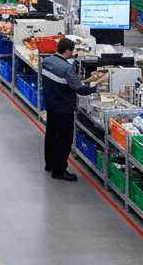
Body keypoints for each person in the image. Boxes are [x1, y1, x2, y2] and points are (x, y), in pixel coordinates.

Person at [39, 38, 104, 181]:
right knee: (63, 139)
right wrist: (95, 87)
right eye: (72, 51)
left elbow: (64, 82)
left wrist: (84, 81)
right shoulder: (66, 68)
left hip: (51, 105)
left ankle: (49, 164)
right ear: (68, 51)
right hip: (64, 108)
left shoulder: (47, 61)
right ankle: (59, 170)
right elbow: (80, 89)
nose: (72, 53)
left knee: (51, 135)